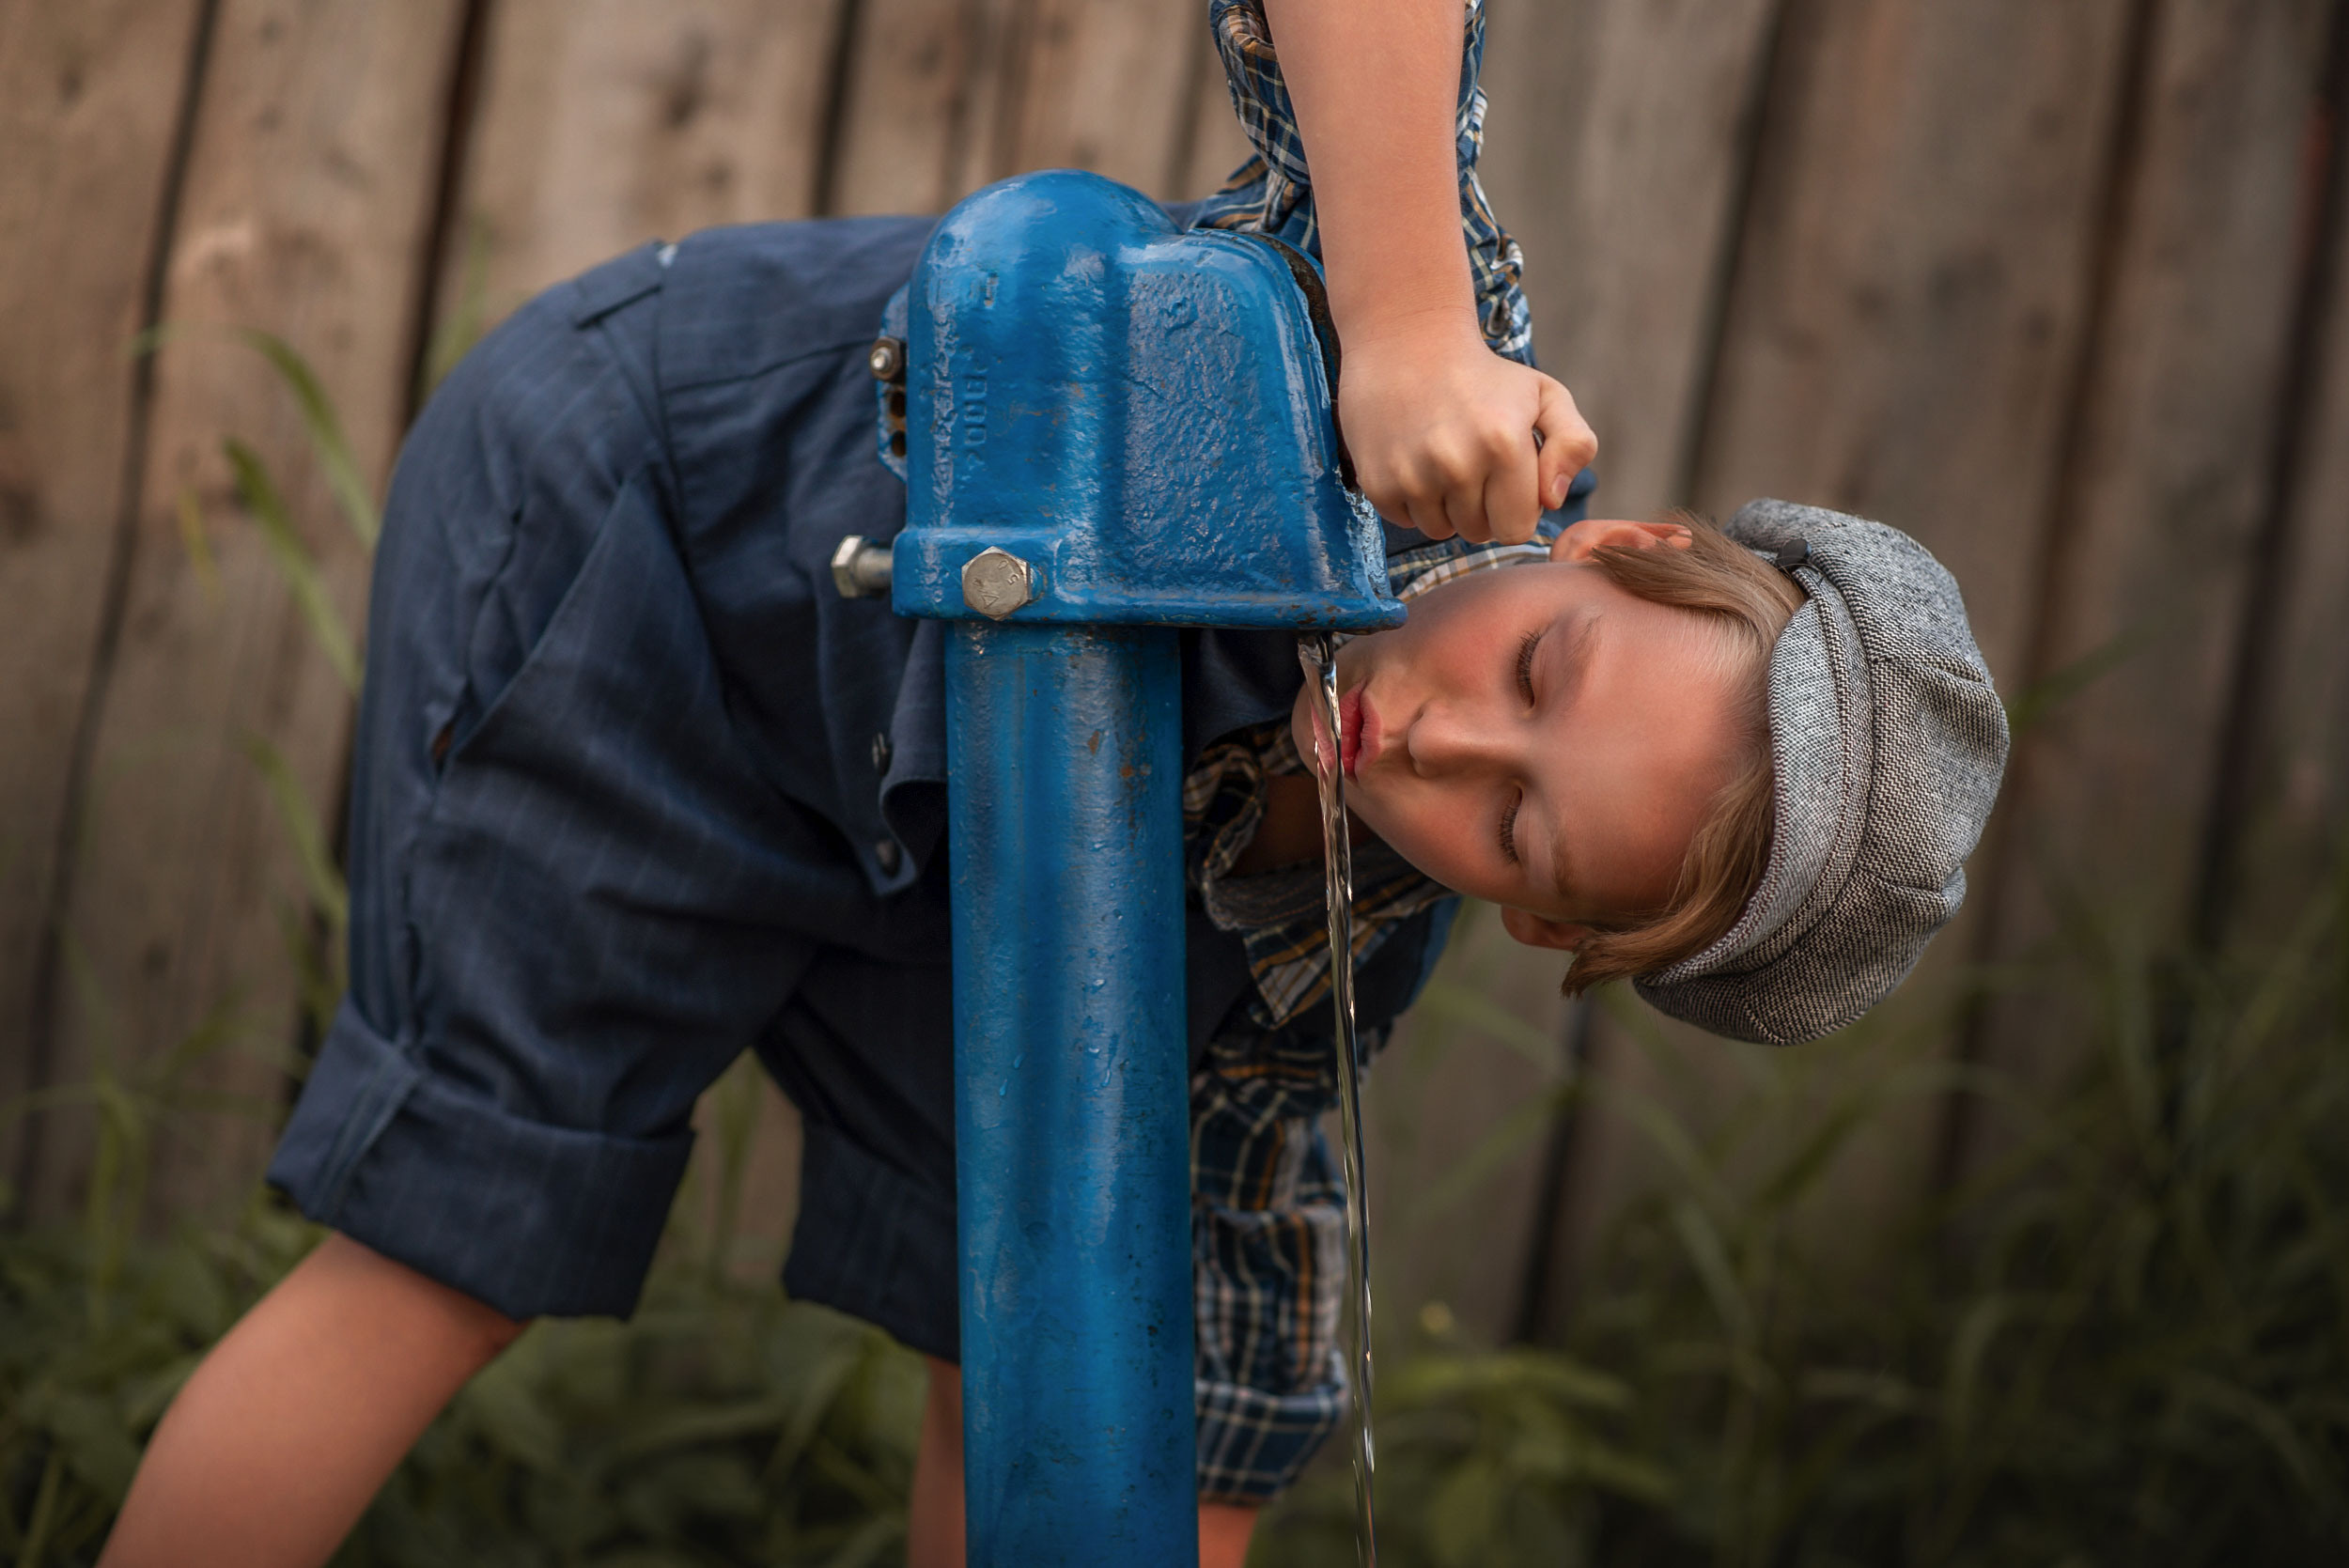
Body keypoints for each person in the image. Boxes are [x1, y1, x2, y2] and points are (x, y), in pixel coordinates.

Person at [96, 2, 2008, 1566]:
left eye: (1515, 822)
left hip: (927, 841)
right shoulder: (1388, 373)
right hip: (654, 561)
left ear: (1528, 915)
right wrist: (1412, 319)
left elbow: (1217, 1325)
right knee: (451, 1250)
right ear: (1608, 543)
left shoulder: (1324, 959)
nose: (1440, 740)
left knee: (1056, 1339)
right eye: (1538, 670)